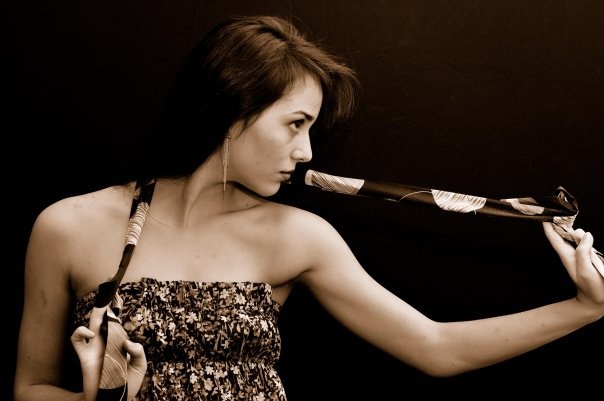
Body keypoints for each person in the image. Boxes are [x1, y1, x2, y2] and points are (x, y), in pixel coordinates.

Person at [13, 14, 604, 401]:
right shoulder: (68, 227)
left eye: (312, 128)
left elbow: (435, 348)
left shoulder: (297, 236)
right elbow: (30, 387)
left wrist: (585, 308)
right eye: (295, 124)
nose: (307, 152)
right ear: (232, 110)